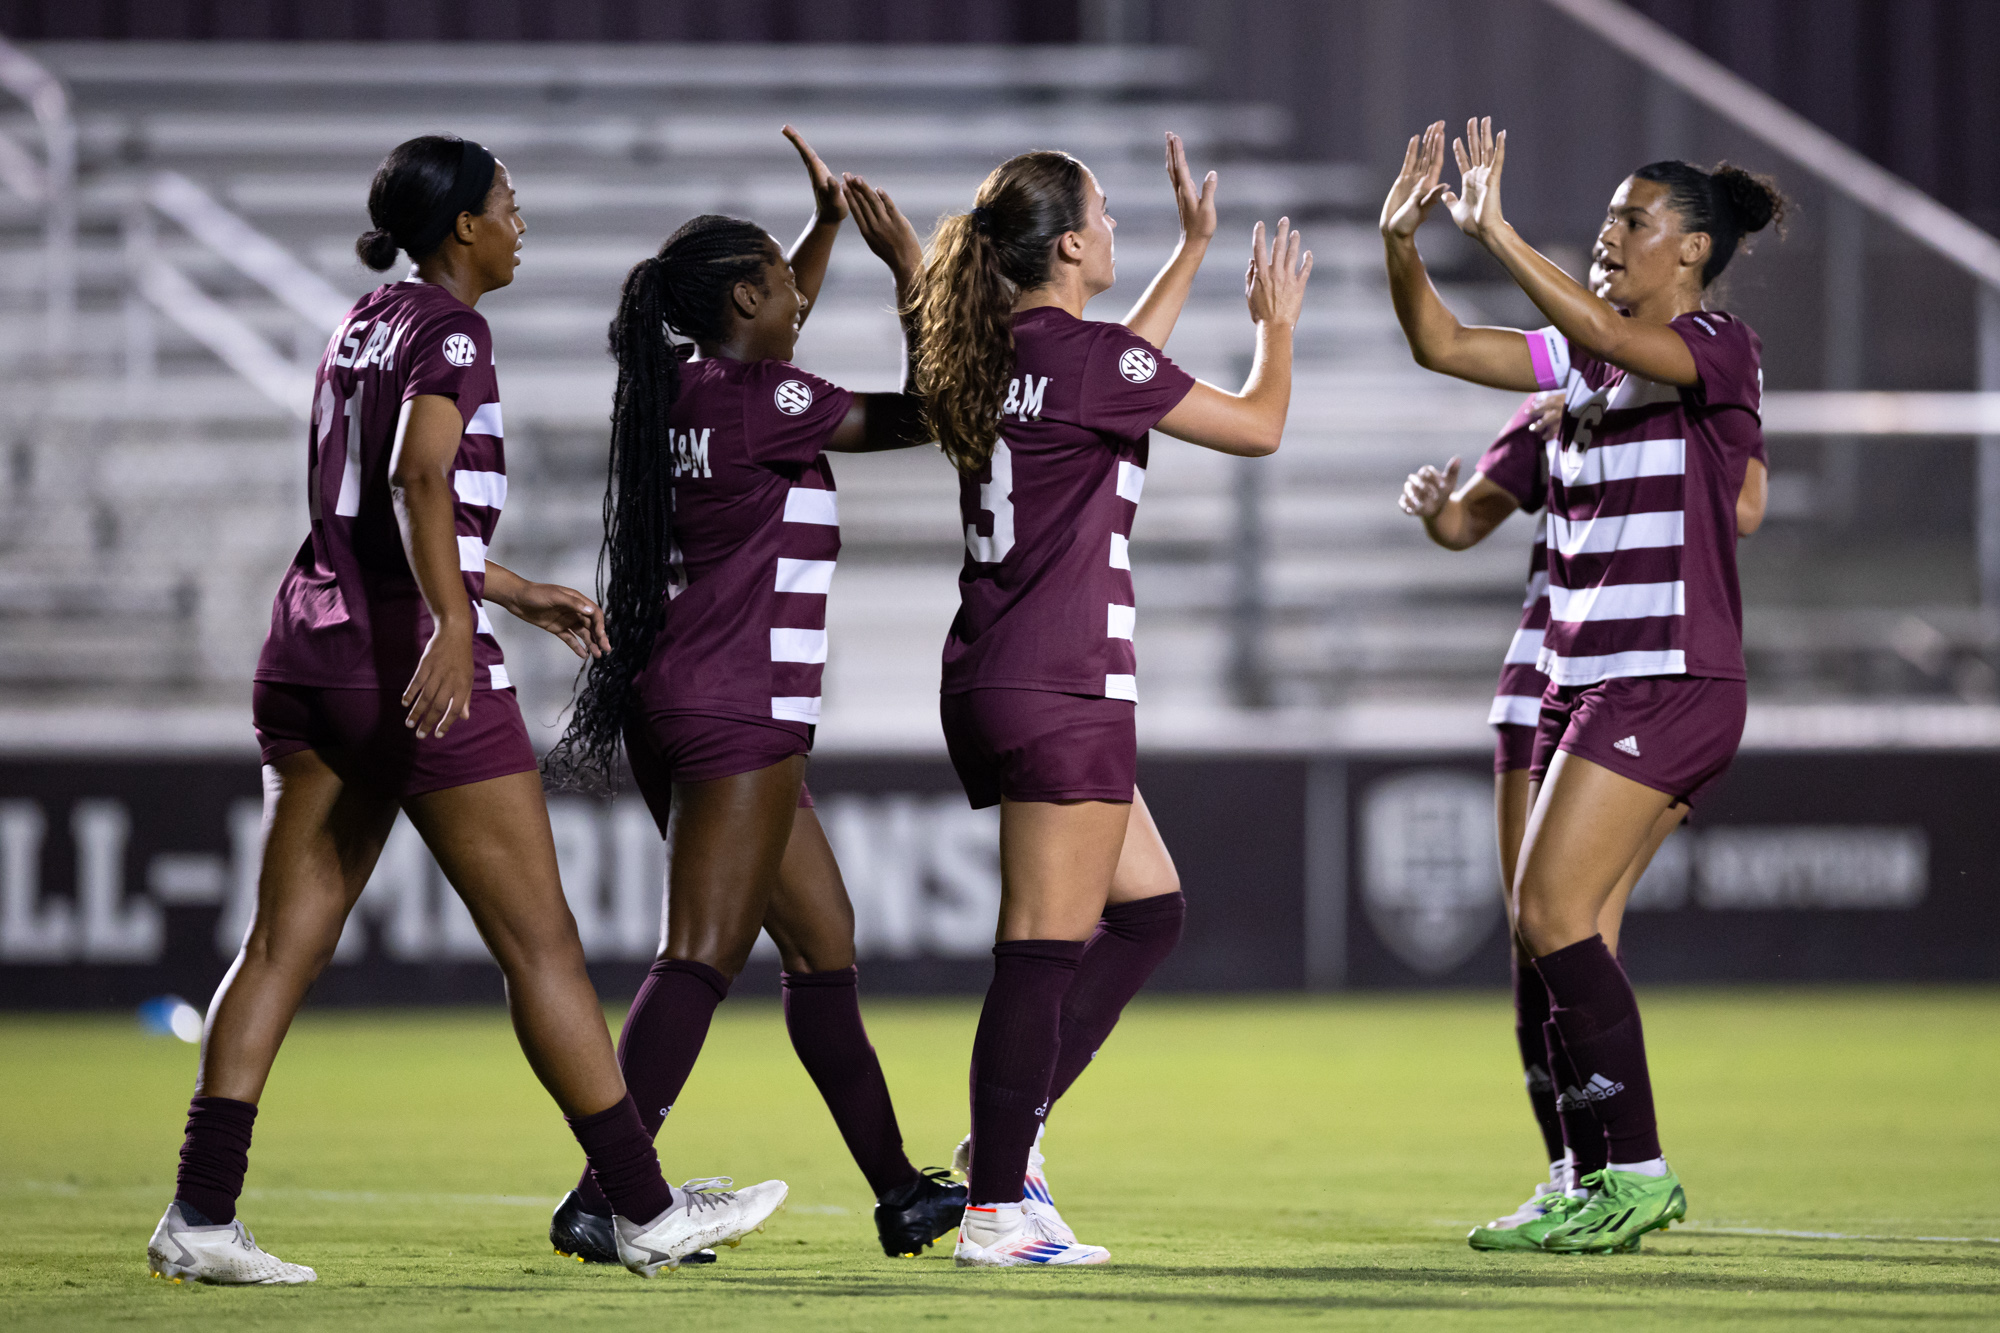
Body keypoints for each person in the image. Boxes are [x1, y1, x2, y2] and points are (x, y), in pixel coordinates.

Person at [147, 135, 786, 1287]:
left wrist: (512, 587)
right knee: (539, 944)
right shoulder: (450, 330)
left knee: (283, 939)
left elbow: (373, 508)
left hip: (307, 644)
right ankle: (641, 1207)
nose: (520, 220)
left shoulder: (364, 318)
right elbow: (418, 478)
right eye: (506, 203)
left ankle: (199, 1210)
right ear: (459, 232)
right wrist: (454, 623)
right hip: (402, 660)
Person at [539, 128, 963, 1263]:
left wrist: (814, 233)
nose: (798, 298)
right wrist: (904, 274)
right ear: (741, 295)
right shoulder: (767, 402)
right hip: (736, 705)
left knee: (825, 945)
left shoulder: (681, 385)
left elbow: (770, 335)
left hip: (679, 695)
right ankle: (603, 1193)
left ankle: (899, 1191)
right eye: (781, 282)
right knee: (702, 953)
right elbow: (929, 415)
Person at [910, 134, 1312, 1266]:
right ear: (1074, 244)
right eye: (1108, 214)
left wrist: (1187, 251)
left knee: (1145, 911)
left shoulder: (996, 353)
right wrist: (1275, 321)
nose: (1118, 226)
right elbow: (1258, 425)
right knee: (1038, 946)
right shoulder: (1085, 362)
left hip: (993, 673)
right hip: (1063, 678)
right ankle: (994, 1204)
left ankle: (1011, 1137)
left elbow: (1114, 367)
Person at [1382, 119, 1780, 1253]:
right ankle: (1590, 1172)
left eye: (1632, 220)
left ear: (1692, 252)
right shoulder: (1585, 372)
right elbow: (1444, 346)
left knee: (1547, 913)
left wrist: (1495, 229)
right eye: (1605, 219)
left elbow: (1606, 330)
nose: (1608, 234)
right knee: (1560, 927)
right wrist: (1397, 243)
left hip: (1666, 675)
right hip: (1587, 683)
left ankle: (1635, 1169)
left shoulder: (1716, 344)